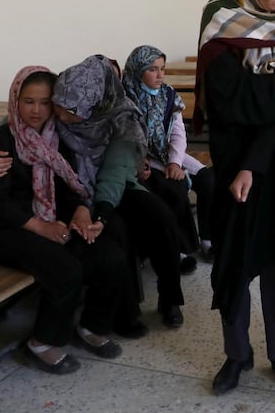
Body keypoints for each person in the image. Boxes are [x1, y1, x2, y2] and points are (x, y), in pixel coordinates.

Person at [197, 0, 275, 395]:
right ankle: (236, 354)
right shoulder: (221, 24)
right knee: (235, 263)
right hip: (234, 163)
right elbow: (234, 101)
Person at [0, 66, 127, 374]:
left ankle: (91, 326)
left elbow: (64, 185)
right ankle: (43, 342)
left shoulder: (55, 136)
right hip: (6, 229)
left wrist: (80, 210)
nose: (36, 110)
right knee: (65, 268)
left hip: (49, 219)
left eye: (45, 102)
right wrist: (41, 226)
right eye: (28, 101)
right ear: (15, 100)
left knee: (109, 253)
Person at [52, 54, 187, 329]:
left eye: (72, 111)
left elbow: (114, 175)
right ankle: (126, 313)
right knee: (119, 232)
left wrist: (100, 214)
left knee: (161, 219)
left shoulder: (123, 119)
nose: (62, 116)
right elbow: (2, 132)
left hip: (115, 185)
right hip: (71, 190)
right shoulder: (56, 114)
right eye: (60, 106)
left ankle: (170, 297)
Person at [122, 45, 215, 272]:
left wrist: (174, 161)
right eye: (153, 69)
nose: (160, 75)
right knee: (174, 186)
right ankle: (178, 249)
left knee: (209, 179)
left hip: (169, 155)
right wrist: (142, 162)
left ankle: (208, 239)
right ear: (137, 70)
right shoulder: (125, 99)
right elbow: (126, 140)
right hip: (144, 160)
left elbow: (177, 132)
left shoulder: (168, 94)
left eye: (162, 69)